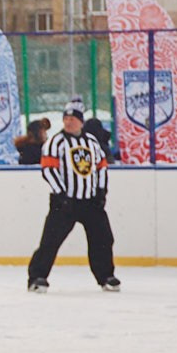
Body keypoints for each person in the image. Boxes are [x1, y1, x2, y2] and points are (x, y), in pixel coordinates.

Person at [28, 101, 117, 292]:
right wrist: (60, 193)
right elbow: (49, 169)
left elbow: (101, 167)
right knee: (50, 241)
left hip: (90, 201)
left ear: (81, 122)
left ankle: (106, 276)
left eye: (73, 119)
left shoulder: (92, 142)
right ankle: (37, 277)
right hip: (64, 202)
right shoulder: (56, 142)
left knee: (103, 238)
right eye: (66, 119)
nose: (68, 123)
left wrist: (101, 192)